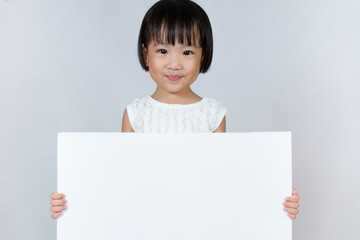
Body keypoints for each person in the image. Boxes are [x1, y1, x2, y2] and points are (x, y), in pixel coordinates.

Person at [50, 0, 300, 220]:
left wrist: (274, 200)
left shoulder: (213, 114)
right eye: (162, 51)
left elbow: (224, 180)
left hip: (198, 222)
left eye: (188, 51)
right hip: (147, 221)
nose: (174, 63)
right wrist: (73, 203)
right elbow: (121, 179)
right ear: (145, 54)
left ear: (203, 57)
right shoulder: (135, 114)